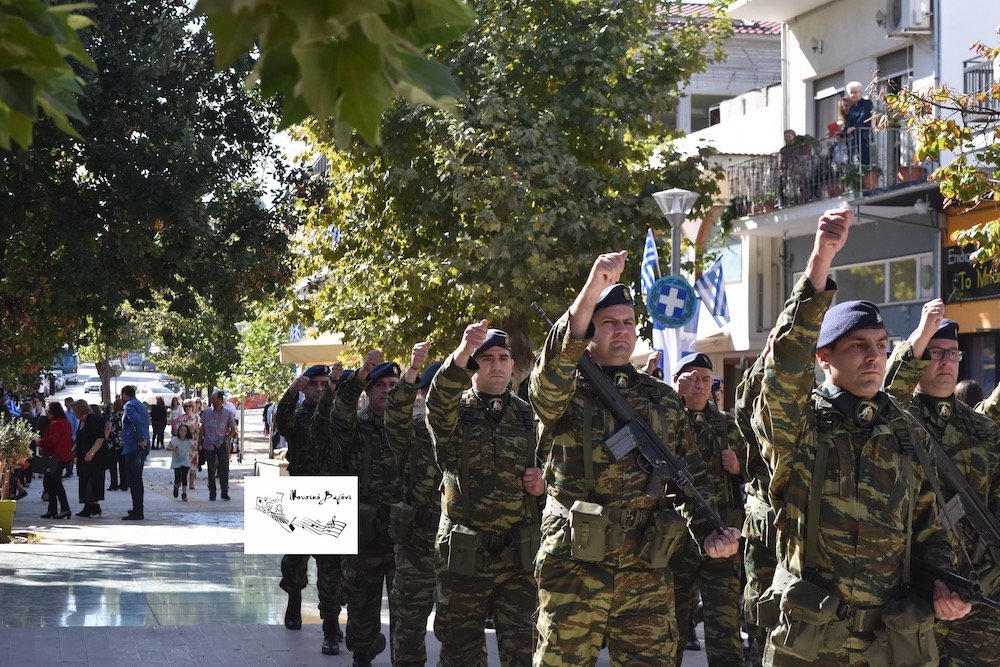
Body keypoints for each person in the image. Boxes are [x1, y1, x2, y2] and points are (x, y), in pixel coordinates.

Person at [751, 209, 968, 665]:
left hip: (891, 642)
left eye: (882, 346)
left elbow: (931, 526)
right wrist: (821, 258)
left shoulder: (905, 431)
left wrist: (944, 586)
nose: (875, 357)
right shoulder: (800, 426)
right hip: (812, 642)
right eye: (858, 346)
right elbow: (784, 370)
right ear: (824, 357)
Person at [529, 252, 741, 666]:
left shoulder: (660, 398)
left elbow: (687, 475)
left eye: (627, 323)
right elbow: (551, 370)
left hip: (646, 565)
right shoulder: (565, 391)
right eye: (609, 322)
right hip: (576, 561)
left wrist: (708, 529)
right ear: (590, 330)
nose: (621, 331)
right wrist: (591, 290)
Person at [884, 302, 1000, 667]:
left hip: (978, 592)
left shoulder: (981, 430)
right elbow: (886, 395)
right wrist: (918, 337)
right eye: (934, 353)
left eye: (952, 353)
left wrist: (978, 586)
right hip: (914, 590)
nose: (946, 361)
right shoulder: (895, 420)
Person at [425, 325, 542, 666]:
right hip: (465, 551)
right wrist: (462, 351)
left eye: (503, 358)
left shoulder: (527, 415)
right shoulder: (456, 412)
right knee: (461, 650)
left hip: (516, 553)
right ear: (473, 367)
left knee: (523, 648)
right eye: (486, 359)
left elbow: (554, 466)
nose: (496, 365)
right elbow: (438, 398)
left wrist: (543, 482)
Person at [669, 353, 746, 667]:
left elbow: (759, 471)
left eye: (706, 379)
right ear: (677, 382)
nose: (700, 385)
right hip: (675, 540)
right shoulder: (665, 422)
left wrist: (739, 465)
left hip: (721, 537)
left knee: (724, 627)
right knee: (670, 627)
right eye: (692, 377)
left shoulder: (726, 425)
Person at [326, 352, 402, 667]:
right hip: (364, 533)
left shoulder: (412, 428)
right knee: (361, 604)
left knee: (406, 610)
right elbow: (338, 415)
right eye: (379, 385)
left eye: (393, 385)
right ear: (368, 392)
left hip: (403, 534)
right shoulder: (355, 427)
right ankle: (362, 653)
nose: (386, 390)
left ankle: (404, 656)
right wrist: (357, 378)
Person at [275, 363, 346, 657]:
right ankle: (294, 598)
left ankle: (330, 626)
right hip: (301, 497)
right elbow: (281, 420)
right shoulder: (299, 416)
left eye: (323, 384)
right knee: (295, 560)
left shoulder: (338, 416)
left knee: (332, 568)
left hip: (332, 498)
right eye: (313, 384)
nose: (318, 389)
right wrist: (292, 390)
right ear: (305, 387)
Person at [384, 342, 445, 667]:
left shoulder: (470, 434)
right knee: (408, 628)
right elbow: (394, 415)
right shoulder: (414, 433)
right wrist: (412, 372)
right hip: (416, 548)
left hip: (459, 551)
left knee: (461, 634)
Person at [36, 402, 74, 519]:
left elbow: (51, 441)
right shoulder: (65, 422)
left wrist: (40, 442)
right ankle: (52, 509)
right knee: (51, 483)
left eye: (48, 412)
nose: (47, 414)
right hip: (61, 456)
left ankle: (64, 508)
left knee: (55, 484)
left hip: (56, 457)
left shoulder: (56, 424)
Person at [198, 390, 236, 502]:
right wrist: (200, 442)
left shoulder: (228, 413)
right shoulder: (207, 413)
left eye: (214, 398)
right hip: (209, 443)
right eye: (211, 398)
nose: (212, 401)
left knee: (224, 468)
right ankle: (212, 493)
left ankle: (224, 492)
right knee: (211, 469)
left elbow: (233, 428)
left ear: (220, 399)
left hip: (221, 443)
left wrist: (227, 438)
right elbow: (202, 428)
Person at [72, 399, 107, 518]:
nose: (74, 413)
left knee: (91, 481)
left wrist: (91, 452)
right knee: (85, 480)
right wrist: (74, 450)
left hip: (94, 458)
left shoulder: (92, 419)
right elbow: (80, 438)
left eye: (75, 410)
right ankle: (88, 507)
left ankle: (93, 507)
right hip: (84, 456)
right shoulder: (82, 421)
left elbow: (100, 437)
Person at [120, 385, 150, 520]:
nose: (121, 398)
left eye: (121, 395)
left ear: (125, 394)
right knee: (136, 478)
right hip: (140, 446)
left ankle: (138, 511)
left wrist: (140, 439)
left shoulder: (129, 406)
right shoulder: (140, 405)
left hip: (134, 446)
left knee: (134, 479)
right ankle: (137, 508)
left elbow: (137, 422)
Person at [844, 81, 874, 166]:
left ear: (861, 92)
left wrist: (855, 127)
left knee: (865, 158)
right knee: (852, 158)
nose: (853, 95)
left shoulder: (867, 103)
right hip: (854, 137)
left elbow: (863, 115)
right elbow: (849, 121)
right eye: (851, 93)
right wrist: (844, 130)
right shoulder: (853, 107)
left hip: (864, 135)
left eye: (855, 92)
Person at [175, 399, 201, 489]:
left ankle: (192, 482)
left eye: (190, 406)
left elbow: (199, 429)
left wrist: (196, 430)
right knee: (184, 462)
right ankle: (183, 480)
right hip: (184, 443)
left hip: (194, 442)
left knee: (193, 463)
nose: (188, 408)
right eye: (186, 406)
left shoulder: (196, 417)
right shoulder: (181, 418)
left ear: (193, 407)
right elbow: (177, 431)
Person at [166, 423, 194, 501]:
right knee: (178, 478)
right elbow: (167, 447)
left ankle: (184, 493)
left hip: (185, 461)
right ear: (178, 431)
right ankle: (176, 486)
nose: (182, 432)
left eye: (184, 431)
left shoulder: (188, 441)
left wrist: (195, 448)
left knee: (184, 477)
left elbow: (194, 447)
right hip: (176, 462)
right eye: (181, 430)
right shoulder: (174, 440)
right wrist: (173, 449)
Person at [63, 397, 78, 478]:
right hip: (67, 436)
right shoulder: (66, 413)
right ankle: (68, 470)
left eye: (66, 403)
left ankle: (70, 470)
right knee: (67, 453)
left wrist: (74, 436)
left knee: (71, 454)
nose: (65, 405)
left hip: (72, 437)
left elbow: (76, 425)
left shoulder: (74, 413)